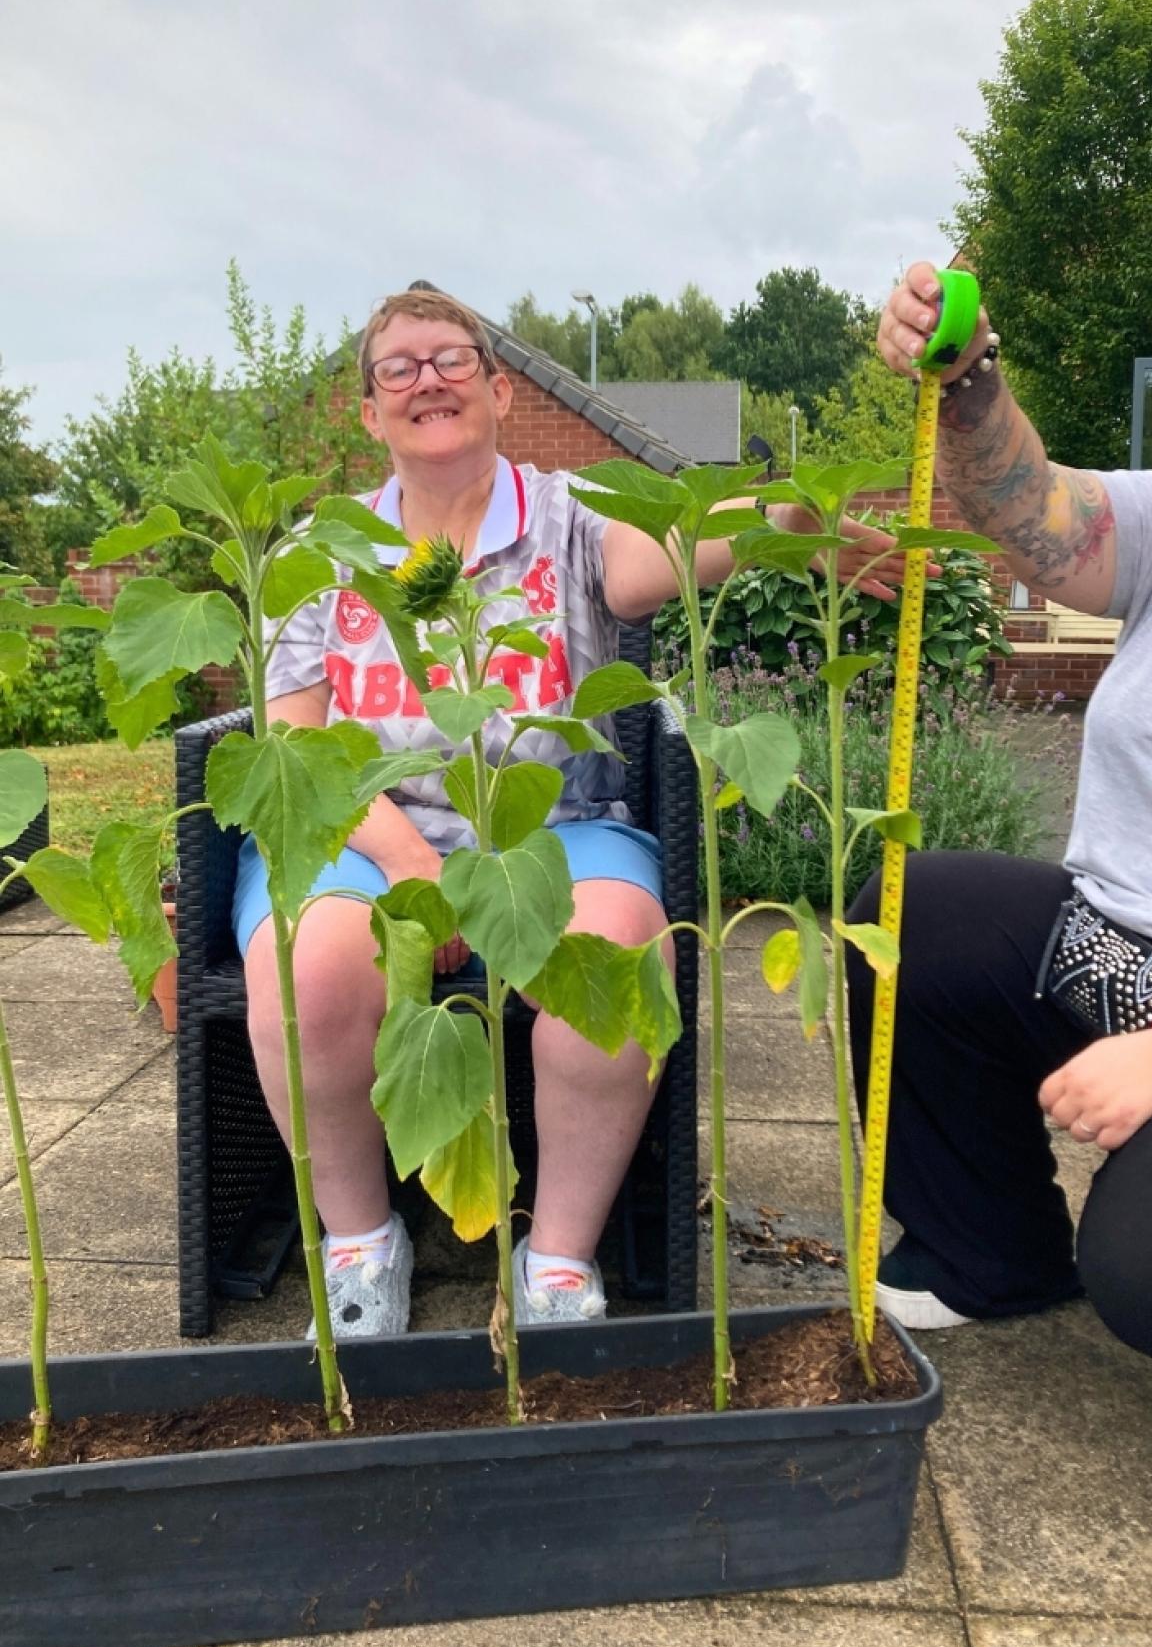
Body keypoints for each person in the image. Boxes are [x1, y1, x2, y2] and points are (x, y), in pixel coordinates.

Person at [236, 287, 905, 1338]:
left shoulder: (568, 517)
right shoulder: (323, 553)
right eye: (398, 368)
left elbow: (673, 550)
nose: (428, 382)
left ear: (499, 390)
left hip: (558, 825)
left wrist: (799, 521)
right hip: (363, 835)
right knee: (306, 966)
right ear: (368, 413)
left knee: (617, 957)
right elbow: (293, 741)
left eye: (451, 360)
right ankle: (360, 1244)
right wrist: (410, 856)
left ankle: (556, 1261)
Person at [844, 263, 1152, 1405]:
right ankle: (992, 1256)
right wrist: (965, 381)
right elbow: (1034, 516)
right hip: (1112, 938)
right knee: (914, 910)